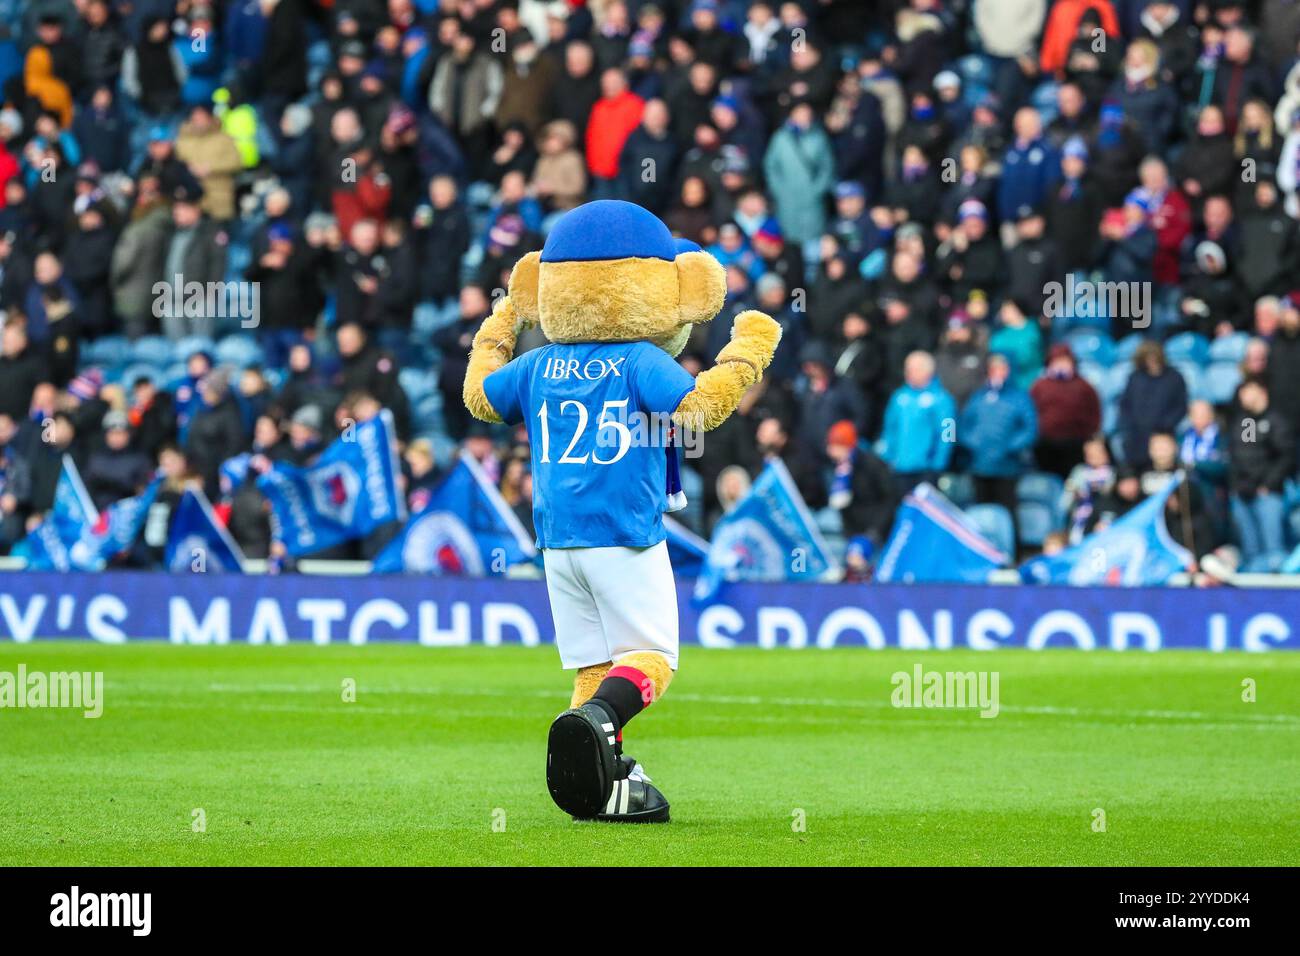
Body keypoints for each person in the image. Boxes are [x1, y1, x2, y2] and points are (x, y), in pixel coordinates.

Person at [958, 353, 1039, 550]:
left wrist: (1010, 448)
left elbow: (1030, 429)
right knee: (980, 512)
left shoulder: (1020, 398)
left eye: (1002, 368)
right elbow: (960, 425)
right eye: (993, 368)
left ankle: (1013, 551)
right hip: (979, 466)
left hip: (1007, 467)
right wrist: (973, 444)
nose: (997, 373)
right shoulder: (977, 397)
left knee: (1008, 511)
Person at [1227, 380, 1295, 566]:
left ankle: (1277, 593)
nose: (1243, 397)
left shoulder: (1275, 421)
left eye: (1247, 392)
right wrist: (1236, 486)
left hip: (1268, 493)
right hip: (1243, 493)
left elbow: (1286, 456)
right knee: (1251, 551)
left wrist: (1268, 484)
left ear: (1262, 392)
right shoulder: (1246, 423)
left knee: (1272, 550)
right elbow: (1242, 455)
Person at [880, 350, 957, 495]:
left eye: (914, 369)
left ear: (927, 371)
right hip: (900, 467)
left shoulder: (942, 399)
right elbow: (890, 428)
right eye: (907, 369)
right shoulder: (899, 397)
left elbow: (949, 433)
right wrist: (888, 456)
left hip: (926, 469)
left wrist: (938, 463)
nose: (909, 373)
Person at [1030, 344, 1102, 476]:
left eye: (1065, 361)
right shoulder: (1039, 386)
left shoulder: (1084, 386)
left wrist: (1089, 434)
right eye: (1057, 361)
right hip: (1046, 444)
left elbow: (1094, 412)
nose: (1061, 365)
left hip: (1076, 443)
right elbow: (1030, 412)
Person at [824, 419, 897, 546]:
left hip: (876, 532)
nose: (832, 452)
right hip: (854, 533)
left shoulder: (872, 465)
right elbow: (842, 506)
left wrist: (875, 532)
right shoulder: (839, 470)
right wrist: (851, 536)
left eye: (837, 447)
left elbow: (889, 499)